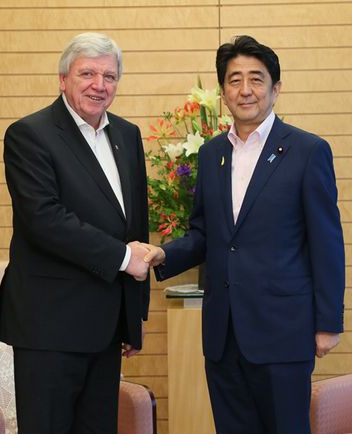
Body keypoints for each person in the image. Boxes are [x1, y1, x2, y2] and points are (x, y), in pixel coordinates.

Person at [144, 35, 345, 434]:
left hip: (282, 331)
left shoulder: (308, 150)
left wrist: (328, 323)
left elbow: (327, 242)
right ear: (223, 92)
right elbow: (206, 232)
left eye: (257, 78)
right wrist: (163, 255)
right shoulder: (212, 153)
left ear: (276, 88)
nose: (246, 89)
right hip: (223, 333)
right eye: (235, 80)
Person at [0, 32, 150, 434]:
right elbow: (44, 219)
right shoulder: (30, 134)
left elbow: (135, 225)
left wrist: (132, 318)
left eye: (110, 76)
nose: (100, 85)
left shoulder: (127, 136)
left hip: (105, 326)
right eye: (88, 73)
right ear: (63, 79)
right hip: (50, 325)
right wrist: (122, 258)